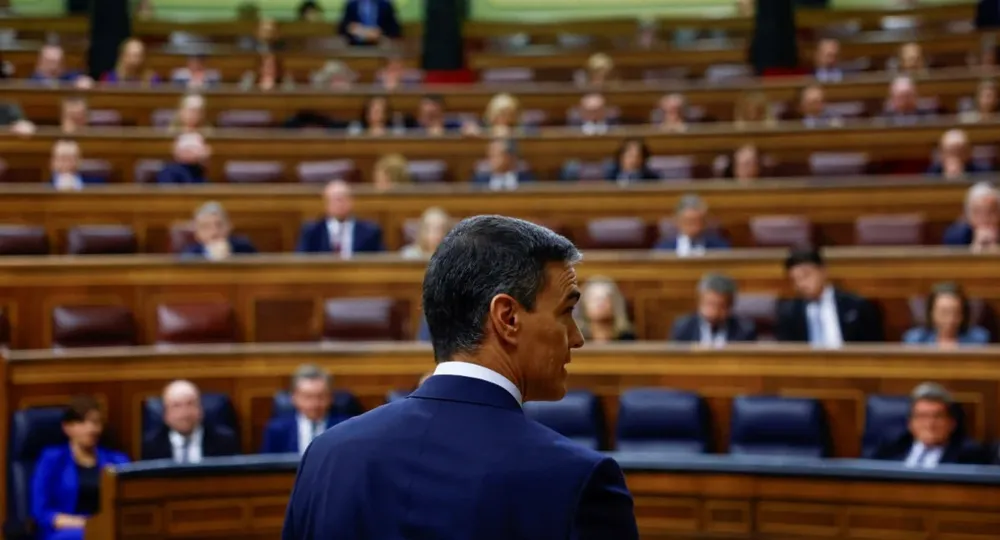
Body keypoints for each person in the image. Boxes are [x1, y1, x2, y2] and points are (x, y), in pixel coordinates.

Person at [282, 215, 638, 540]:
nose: (577, 336)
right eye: (566, 311)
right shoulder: (577, 480)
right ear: (508, 317)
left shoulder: (326, 457)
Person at [31, 396, 130, 540]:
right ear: (67, 427)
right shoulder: (51, 459)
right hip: (65, 531)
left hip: (109, 529)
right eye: (82, 422)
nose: (91, 429)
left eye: (96, 422)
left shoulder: (117, 460)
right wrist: (86, 524)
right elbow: (41, 512)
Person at [775, 249, 884, 346]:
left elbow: (874, 346)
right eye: (795, 279)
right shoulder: (789, 313)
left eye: (806, 275)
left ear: (823, 272)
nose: (801, 284)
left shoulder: (855, 305)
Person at [871, 382, 989, 466]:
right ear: (910, 423)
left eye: (937, 416)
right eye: (922, 416)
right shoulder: (890, 451)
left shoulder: (969, 458)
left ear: (952, 423)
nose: (930, 424)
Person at [141, 380, 241, 462]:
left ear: (200, 409)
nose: (184, 413)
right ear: (166, 414)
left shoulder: (224, 441)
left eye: (190, 404)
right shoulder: (152, 445)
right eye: (176, 406)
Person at [262, 364, 350, 455]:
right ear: (294, 397)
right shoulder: (277, 430)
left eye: (321, 397)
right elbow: (267, 466)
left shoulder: (345, 427)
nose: (314, 404)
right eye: (307, 397)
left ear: (330, 397)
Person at [296, 180, 385, 255]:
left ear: (351, 201)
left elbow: (382, 263)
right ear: (326, 204)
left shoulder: (369, 232)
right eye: (335, 200)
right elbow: (300, 263)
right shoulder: (312, 231)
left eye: (343, 199)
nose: (339, 204)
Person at [670, 273, 757, 345]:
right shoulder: (683, 327)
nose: (714, 312)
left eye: (721, 306)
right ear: (700, 301)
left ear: (730, 305)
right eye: (710, 304)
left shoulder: (745, 330)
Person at [902, 282, 991, 347]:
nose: (950, 319)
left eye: (956, 312)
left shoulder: (978, 339)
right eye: (944, 313)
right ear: (932, 313)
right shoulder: (916, 340)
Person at [654, 194, 730, 255]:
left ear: (704, 222)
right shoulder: (664, 248)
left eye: (697, 221)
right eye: (688, 222)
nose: (694, 227)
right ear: (678, 221)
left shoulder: (719, 247)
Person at [180, 201, 258, 259]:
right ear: (197, 233)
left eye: (219, 225)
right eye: (206, 227)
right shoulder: (190, 255)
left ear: (229, 227)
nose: (214, 232)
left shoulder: (244, 248)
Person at [573, 276, 635, 342]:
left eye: (605, 298)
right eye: (595, 298)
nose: (600, 303)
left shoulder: (627, 337)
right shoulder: (577, 339)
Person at [943, 181, 999, 250]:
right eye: (978, 212)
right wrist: (975, 247)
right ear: (969, 216)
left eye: (991, 212)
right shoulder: (955, 237)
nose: (985, 218)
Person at [471, 138, 536, 191]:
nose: (491, 160)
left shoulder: (526, 178)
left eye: (495, 155)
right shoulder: (480, 179)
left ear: (509, 157)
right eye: (490, 155)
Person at [926, 129, 991, 179]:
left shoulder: (983, 171)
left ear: (968, 152)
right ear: (941, 153)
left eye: (959, 151)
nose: (955, 156)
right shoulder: (932, 172)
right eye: (950, 151)